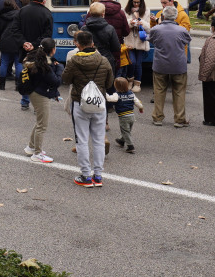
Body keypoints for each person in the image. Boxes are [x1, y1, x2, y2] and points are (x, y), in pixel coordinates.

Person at [60, 29, 114, 187]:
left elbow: (65, 79)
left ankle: (85, 175)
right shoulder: (103, 60)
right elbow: (110, 83)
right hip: (99, 103)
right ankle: (98, 175)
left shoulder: (74, 61)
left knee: (82, 140)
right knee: (98, 140)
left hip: (80, 102)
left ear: (78, 44)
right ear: (92, 43)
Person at [147, 5, 191, 127]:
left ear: (163, 16)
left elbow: (151, 39)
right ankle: (179, 119)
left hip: (160, 64)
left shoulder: (156, 29)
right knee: (179, 92)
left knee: (159, 91)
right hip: (178, 65)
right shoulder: (182, 30)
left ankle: (158, 117)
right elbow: (187, 40)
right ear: (176, 17)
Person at [19, 38, 61, 163]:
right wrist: (60, 69)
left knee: (39, 122)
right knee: (42, 125)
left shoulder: (37, 58)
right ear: (52, 50)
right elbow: (56, 81)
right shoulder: (45, 65)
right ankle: (37, 153)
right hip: (40, 94)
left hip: (34, 92)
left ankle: (31, 147)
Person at [13, 0, 54, 100]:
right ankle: (38, 100)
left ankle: (25, 100)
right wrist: (34, 44)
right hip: (39, 50)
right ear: (44, 1)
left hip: (24, 49)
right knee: (39, 76)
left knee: (26, 74)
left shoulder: (22, 11)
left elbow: (15, 29)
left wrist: (24, 42)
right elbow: (47, 35)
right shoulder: (47, 13)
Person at [83, 1, 122, 74]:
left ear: (90, 13)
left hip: (87, 60)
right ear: (103, 14)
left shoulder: (84, 29)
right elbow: (116, 47)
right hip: (106, 60)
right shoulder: (110, 29)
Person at [110, 76, 144, 153]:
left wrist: (105, 95)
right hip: (131, 116)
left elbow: (112, 99)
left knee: (125, 131)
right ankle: (121, 140)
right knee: (127, 130)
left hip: (123, 116)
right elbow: (137, 102)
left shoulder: (117, 94)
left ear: (116, 86)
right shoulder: (131, 93)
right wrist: (141, 108)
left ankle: (130, 146)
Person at [0, 0, 21, 90]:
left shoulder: (1, 15)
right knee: (18, 62)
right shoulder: (20, 14)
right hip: (17, 40)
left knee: (4, 62)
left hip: (5, 40)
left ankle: (1, 84)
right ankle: (18, 84)